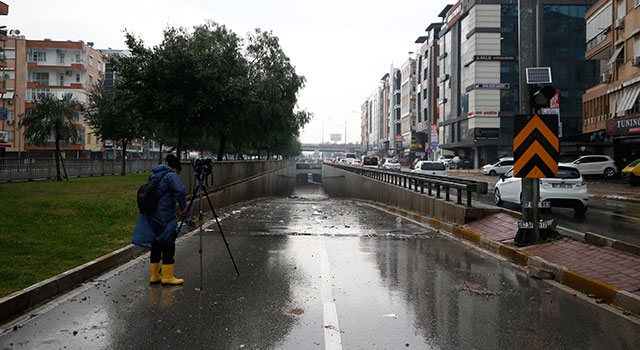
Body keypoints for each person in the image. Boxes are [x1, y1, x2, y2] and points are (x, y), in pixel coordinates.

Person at [134, 154, 187, 285]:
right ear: (176, 169)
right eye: (179, 173)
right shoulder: (171, 175)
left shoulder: (154, 175)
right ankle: (168, 277)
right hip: (165, 215)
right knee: (168, 244)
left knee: (156, 243)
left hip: (152, 215)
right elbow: (180, 191)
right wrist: (182, 206)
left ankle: (154, 275)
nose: (178, 175)